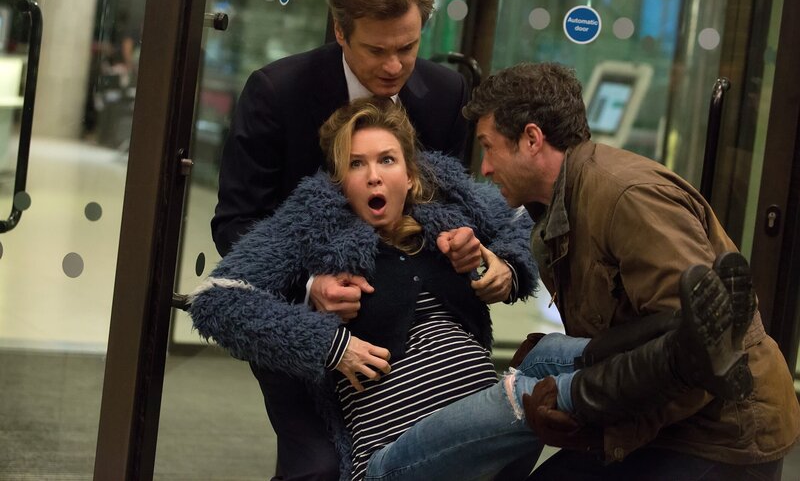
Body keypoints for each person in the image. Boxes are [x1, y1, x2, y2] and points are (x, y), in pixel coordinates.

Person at [189, 97, 762, 481]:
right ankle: (683, 359)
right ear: (340, 180)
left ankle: (690, 338)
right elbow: (218, 298)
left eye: (386, 159)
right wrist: (327, 343)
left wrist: (495, 262)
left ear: (410, 173)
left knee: (550, 353)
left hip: (488, 443)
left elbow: (517, 230)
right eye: (356, 164)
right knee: (514, 395)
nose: (373, 174)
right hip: (394, 459)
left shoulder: (448, 212)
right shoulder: (314, 226)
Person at [463, 62, 800, 479]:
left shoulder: (627, 199)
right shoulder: (561, 205)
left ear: (532, 139)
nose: (485, 167)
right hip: (666, 421)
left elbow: (702, 354)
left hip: (721, 432)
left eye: (489, 147)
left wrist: (597, 421)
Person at [211, 0, 471, 476]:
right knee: (319, 466)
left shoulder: (446, 94)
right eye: (377, 50)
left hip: (413, 318)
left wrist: (477, 253)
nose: (394, 66)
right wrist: (311, 285)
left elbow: (453, 205)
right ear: (340, 31)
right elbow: (237, 222)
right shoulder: (276, 93)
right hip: (298, 317)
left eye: (407, 47)